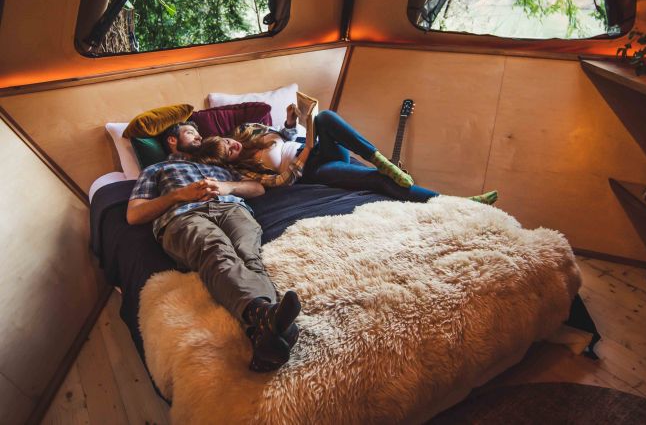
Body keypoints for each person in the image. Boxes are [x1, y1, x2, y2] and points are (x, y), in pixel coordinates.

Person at [127, 121, 301, 372]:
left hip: (231, 208)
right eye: (190, 132)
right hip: (183, 216)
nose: (198, 136)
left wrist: (226, 187)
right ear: (172, 141)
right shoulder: (156, 169)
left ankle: (265, 334)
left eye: (199, 132)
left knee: (248, 254)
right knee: (216, 250)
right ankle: (265, 316)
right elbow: (134, 215)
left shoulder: (219, 165)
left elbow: (258, 188)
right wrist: (177, 195)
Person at [193, 107, 499, 205]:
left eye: (226, 141)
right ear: (226, 162)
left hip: (313, 145)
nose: (231, 146)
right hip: (314, 168)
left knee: (325, 117)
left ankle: (382, 159)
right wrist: (308, 151)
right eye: (227, 152)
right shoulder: (246, 172)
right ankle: (457, 203)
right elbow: (282, 181)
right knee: (377, 182)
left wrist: (291, 121)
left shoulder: (250, 131)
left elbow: (287, 136)